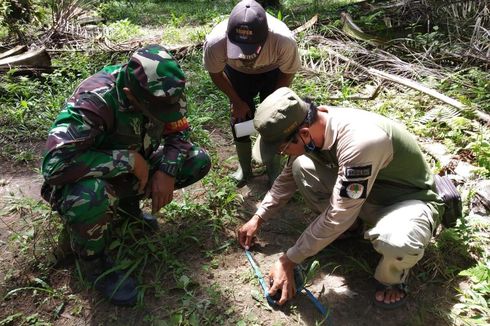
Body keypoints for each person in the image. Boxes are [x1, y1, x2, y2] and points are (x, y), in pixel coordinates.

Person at [238, 87, 444, 309]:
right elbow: (287, 178)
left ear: (304, 134)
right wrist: (259, 217)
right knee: (300, 165)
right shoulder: (313, 127)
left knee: (398, 242)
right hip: (363, 195)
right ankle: (353, 229)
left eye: (282, 149)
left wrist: (288, 260)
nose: (282, 154)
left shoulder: (361, 141)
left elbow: (338, 215)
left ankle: (393, 278)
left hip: (402, 202)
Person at [40, 44, 211, 306]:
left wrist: (166, 170)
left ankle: (127, 208)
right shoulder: (94, 100)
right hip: (94, 179)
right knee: (88, 196)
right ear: (131, 95)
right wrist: (128, 161)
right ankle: (94, 265)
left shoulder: (165, 90)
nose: (165, 114)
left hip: (132, 168)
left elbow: (179, 131)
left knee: (196, 161)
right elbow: (54, 165)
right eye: (156, 110)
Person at [203, 0, 300, 186]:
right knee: (241, 120)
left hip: (273, 72)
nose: (247, 55)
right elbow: (215, 73)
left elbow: (288, 72)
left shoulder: (283, 39)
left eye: (252, 48)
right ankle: (245, 168)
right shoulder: (216, 41)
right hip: (237, 73)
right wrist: (237, 102)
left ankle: (273, 169)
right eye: (238, 47)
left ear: (266, 36)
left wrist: (273, 103)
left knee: (276, 119)